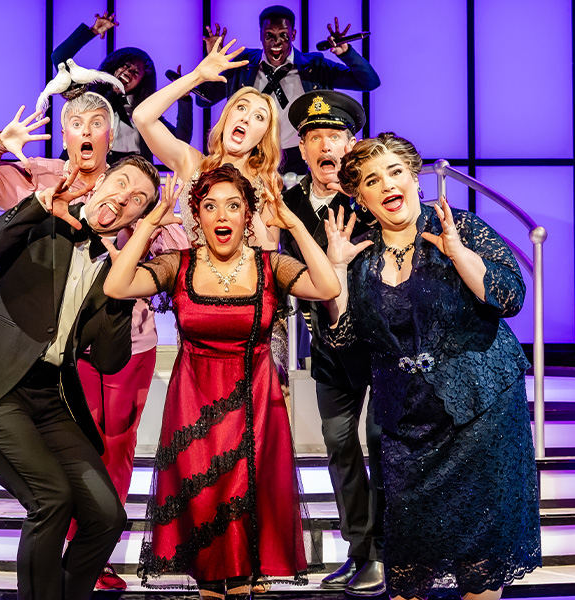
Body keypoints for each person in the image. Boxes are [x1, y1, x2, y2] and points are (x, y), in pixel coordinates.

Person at [0, 94, 190, 591]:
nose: (121, 200)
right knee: (53, 500)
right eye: (119, 186)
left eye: (137, 202)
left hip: (48, 396)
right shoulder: (43, 213)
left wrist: (125, 278)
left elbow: (107, 358)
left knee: (106, 513)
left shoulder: (116, 271)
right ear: (100, 182)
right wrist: (34, 207)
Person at [102, 165, 339, 597]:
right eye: (210, 207)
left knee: (249, 522)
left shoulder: (271, 265)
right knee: (205, 518)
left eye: (233, 205)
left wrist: (294, 223)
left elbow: (327, 286)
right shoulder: (179, 263)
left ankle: (247, 580)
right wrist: (150, 223)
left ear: (248, 215)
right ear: (198, 216)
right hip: (194, 405)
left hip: (257, 406)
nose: (222, 215)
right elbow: (117, 286)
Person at [323, 133, 542, 600]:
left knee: (479, 561)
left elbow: (511, 296)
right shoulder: (359, 255)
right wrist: (336, 275)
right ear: (360, 197)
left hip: (481, 411)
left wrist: (459, 254)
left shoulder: (459, 226)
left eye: (396, 172)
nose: (387, 185)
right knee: (409, 568)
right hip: (409, 424)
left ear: (415, 179)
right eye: (372, 180)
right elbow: (344, 340)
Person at [278, 90, 383, 595]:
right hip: (328, 342)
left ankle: (387, 551)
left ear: (351, 143)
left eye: (335, 136)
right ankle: (359, 551)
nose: (326, 146)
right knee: (340, 445)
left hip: (382, 342)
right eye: (315, 137)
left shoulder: (369, 194)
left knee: (385, 444)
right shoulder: (288, 204)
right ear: (301, 148)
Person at [133, 39, 283, 251]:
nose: (246, 118)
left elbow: (268, 249)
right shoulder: (193, 164)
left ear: (263, 137)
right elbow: (142, 117)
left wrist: (247, 203)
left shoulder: (267, 186)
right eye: (241, 108)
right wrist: (197, 76)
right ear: (226, 117)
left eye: (259, 117)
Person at [195, 6, 381, 175]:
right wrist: (213, 63)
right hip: (252, 152)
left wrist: (346, 52)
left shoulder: (314, 66)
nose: (276, 42)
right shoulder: (243, 64)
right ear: (260, 35)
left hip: (298, 158)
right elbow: (204, 100)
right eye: (269, 35)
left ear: (293, 35)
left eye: (283, 35)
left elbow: (369, 82)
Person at [51, 12, 193, 162]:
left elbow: (180, 141)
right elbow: (59, 58)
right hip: (85, 171)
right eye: (125, 65)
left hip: (133, 175)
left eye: (136, 72)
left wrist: (184, 98)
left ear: (141, 81)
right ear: (115, 66)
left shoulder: (144, 113)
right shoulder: (89, 92)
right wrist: (92, 32)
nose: (128, 72)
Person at [0, 91, 116, 209]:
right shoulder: (36, 175)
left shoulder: (125, 183)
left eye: (96, 123)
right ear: (64, 138)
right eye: (77, 124)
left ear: (110, 138)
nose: (86, 131)